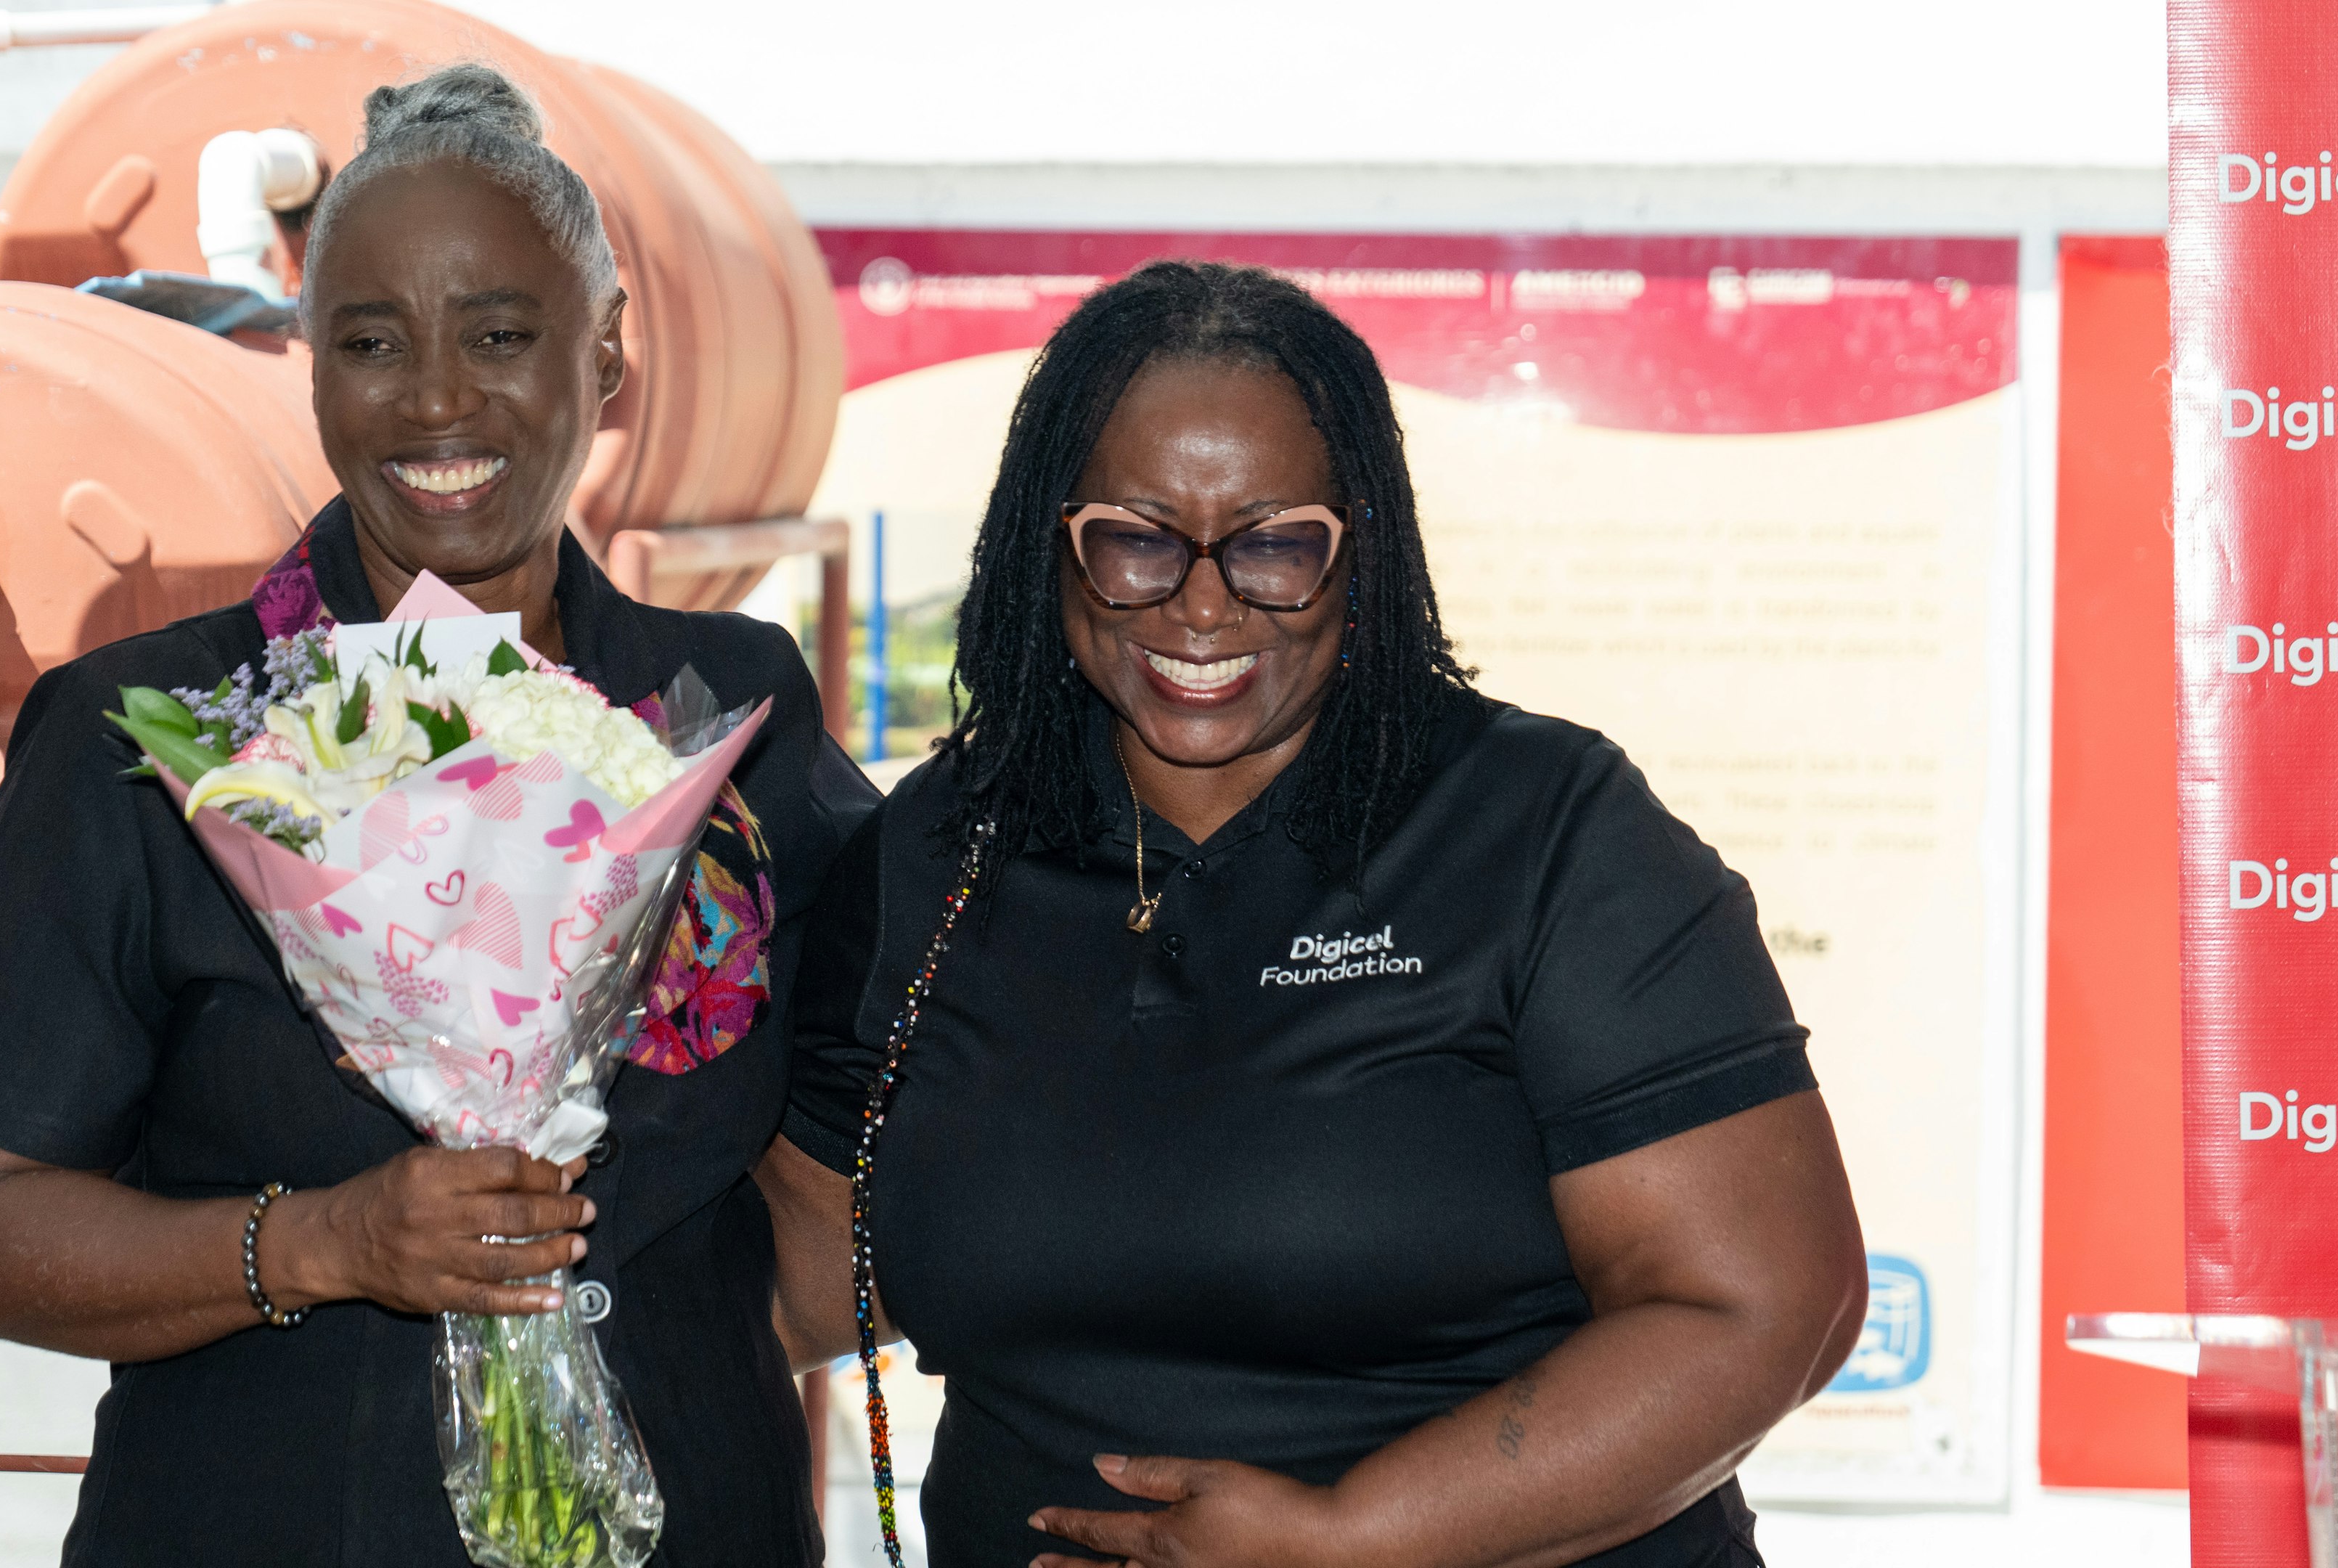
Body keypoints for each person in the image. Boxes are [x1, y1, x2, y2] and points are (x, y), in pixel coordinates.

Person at [759, 261, 1867, 1568]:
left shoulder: (1541, 831)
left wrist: (1352, 1539)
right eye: (1136, 539)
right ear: (1047, 543)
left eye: (1276, 544)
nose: (1204, 604)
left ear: (1362, 550)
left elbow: (1766, 1306)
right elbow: (799, 1281)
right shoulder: (932, 858)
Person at [0, 65, 872, 1567]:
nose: (435, 399)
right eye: (370, 341)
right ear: (311, 366)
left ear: (605, 349)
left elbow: (876, 1086)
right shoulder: (153, 738)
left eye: (500, 335)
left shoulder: (734, 712)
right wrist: (327, 1242)